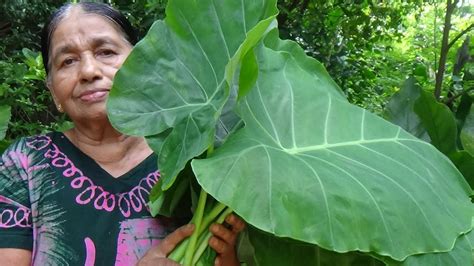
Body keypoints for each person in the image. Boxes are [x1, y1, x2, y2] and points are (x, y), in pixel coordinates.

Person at [0, 2, 245, 265]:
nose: (89, 72)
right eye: (68, 61)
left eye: (105, 52)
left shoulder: (192, 156)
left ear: (141, 64)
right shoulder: (26, 163)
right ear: (52, 90)